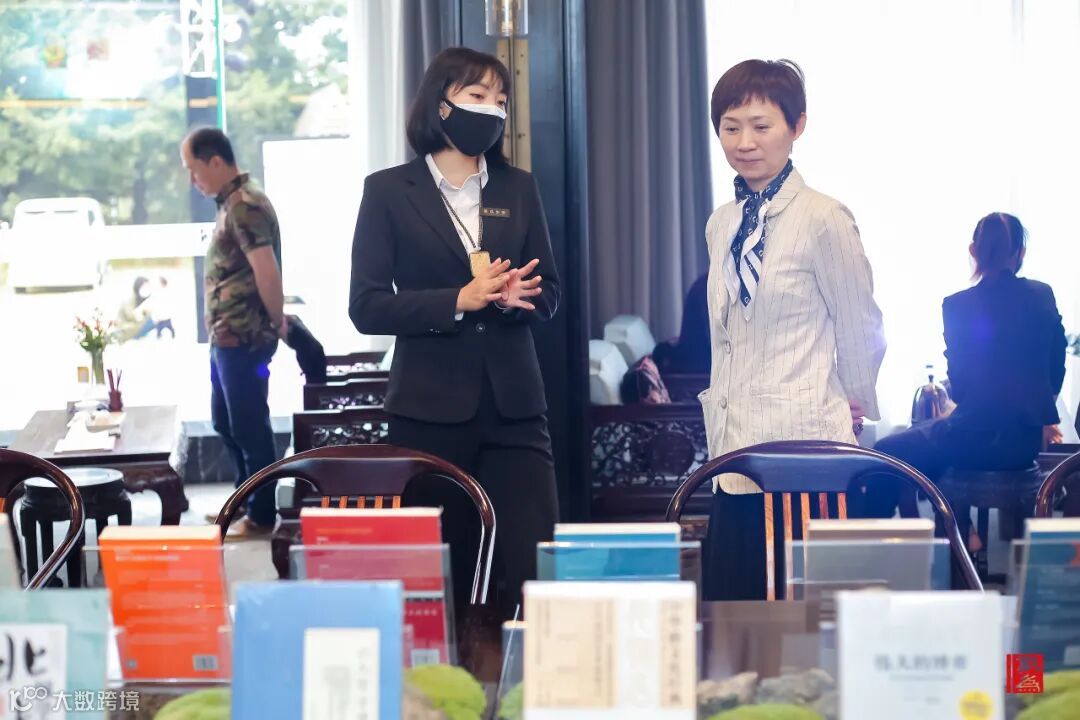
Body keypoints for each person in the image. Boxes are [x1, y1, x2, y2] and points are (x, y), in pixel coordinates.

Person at [349, 47, 560, 617]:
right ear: (440, 105)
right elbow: (366, 306)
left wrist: (519, 298)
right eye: (477, 96)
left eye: (500, 100)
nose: (492, 109)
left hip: (516, 409)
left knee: (533, 570)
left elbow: (551, 294)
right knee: (442, 577)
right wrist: (457, 301)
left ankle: (528, 671)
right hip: (428, 411)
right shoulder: (388, 191)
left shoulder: (519, 188)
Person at [700, 59, 886, 600]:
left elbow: (860, 322)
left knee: (798, 617)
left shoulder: (825, 217)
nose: (745, 142)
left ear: (797, 126)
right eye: (731, 127)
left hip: (805, 455)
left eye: (762, 126)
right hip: (732, 452)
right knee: (733, 611)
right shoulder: (721, 223)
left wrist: (853, 398)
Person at [870, 213, 1066, 542]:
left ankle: (873, 550)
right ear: (1020, 252)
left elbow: (960, 388)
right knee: (932, 442)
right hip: (1024, 444)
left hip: (974, 440)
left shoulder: (958, 305)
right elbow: (1055, 368)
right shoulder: (1041, 295)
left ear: (973, 250)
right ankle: (963, 533)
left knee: (885, 450)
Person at [181, 127, 287, 537]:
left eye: (193, 169)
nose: (192, 179)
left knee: (249, 426)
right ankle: (243, 500)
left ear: (215, 161)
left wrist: (276, 321)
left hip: (245, 338)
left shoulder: (245, 206)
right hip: (227, 337)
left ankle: (261, 515)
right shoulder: (232, 203)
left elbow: (266, 271)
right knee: (225, 421)